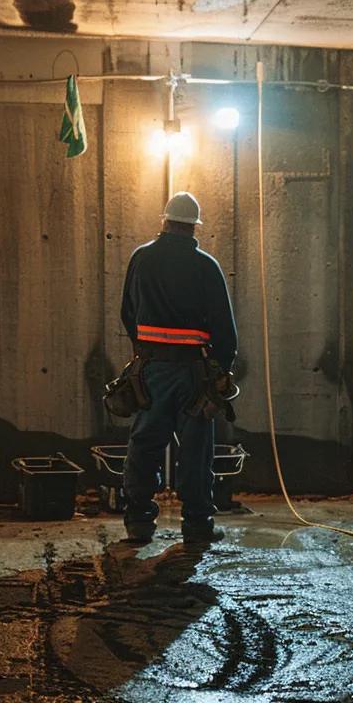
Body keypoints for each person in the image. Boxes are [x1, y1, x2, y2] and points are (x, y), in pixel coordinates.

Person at [118, 191, 238, 544]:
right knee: (196, 449)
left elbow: (128, 313)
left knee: (144, 444)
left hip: (152, 370)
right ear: (193, 226)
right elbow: (225, 330)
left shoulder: (141, 258)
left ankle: (139, 521)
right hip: (194, 375)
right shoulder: (206, 266)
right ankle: (197, 525)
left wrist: (144, 352)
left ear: (165, 221)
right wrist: (221, 370)